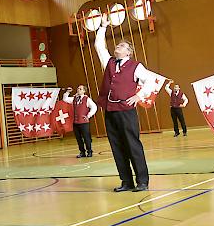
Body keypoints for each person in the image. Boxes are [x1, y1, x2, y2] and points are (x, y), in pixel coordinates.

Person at [95, 13, 159, 192]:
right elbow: (99, 46)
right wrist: (103, 27)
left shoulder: (136, 66)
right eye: (118, 44)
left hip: (126, 110)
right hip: (110, 110)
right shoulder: (108, 63)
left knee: (132, 144)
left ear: (128, 52)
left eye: (122, 45)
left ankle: (142, 181)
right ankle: (126, 181)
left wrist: (139, 96)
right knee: (117, 146)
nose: (118, 46)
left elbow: (151, 81)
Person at [62, 85, 97, 158]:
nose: (78, 90)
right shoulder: (74, 98)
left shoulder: (87, 99)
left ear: (84, 91)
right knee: (78, 138)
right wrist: (67, 92)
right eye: (78, 88)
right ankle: (82, 152)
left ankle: (89, 151)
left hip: (84, 123)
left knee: (86, 138)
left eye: (80, 89)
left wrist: (88, 115)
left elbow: (94, 107)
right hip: (76, 122)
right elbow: (65, 99)